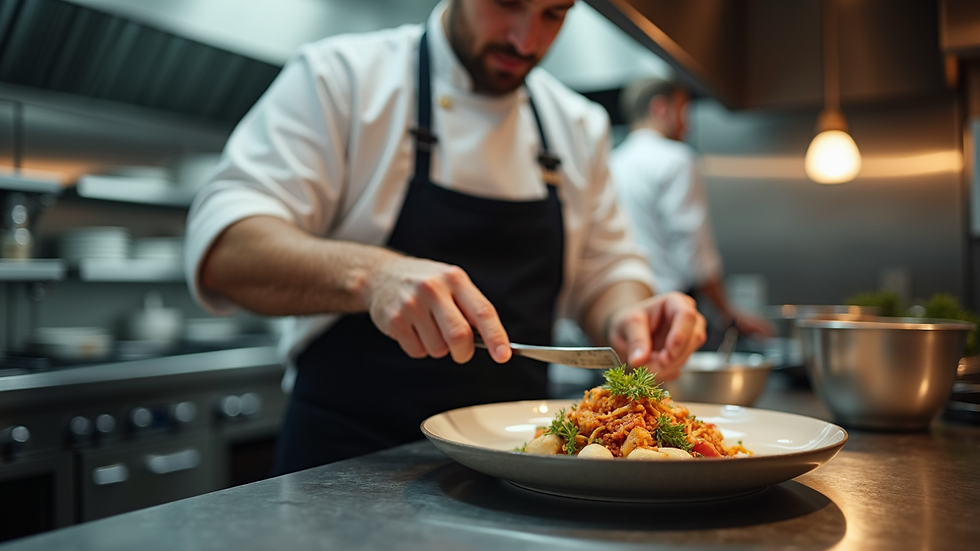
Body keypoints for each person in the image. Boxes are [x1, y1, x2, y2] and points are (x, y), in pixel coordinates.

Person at [185, 0, 706, 475]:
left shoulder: (577, 124)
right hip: (347, 463)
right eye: (508, 4)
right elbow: (225, 248)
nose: (526, 41)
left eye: (554, 14)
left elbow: (606, 271)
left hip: (522, 466)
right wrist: (372, 276)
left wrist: (628, 316)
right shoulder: (340, 78)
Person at [610, 78, 772, 340]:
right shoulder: (676, 159)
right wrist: (728, 313)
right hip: (669, 314)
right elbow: (694, 252)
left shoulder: (612, 162)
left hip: (627, 313)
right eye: (684, 112)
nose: (688, 125)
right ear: (662, 109)